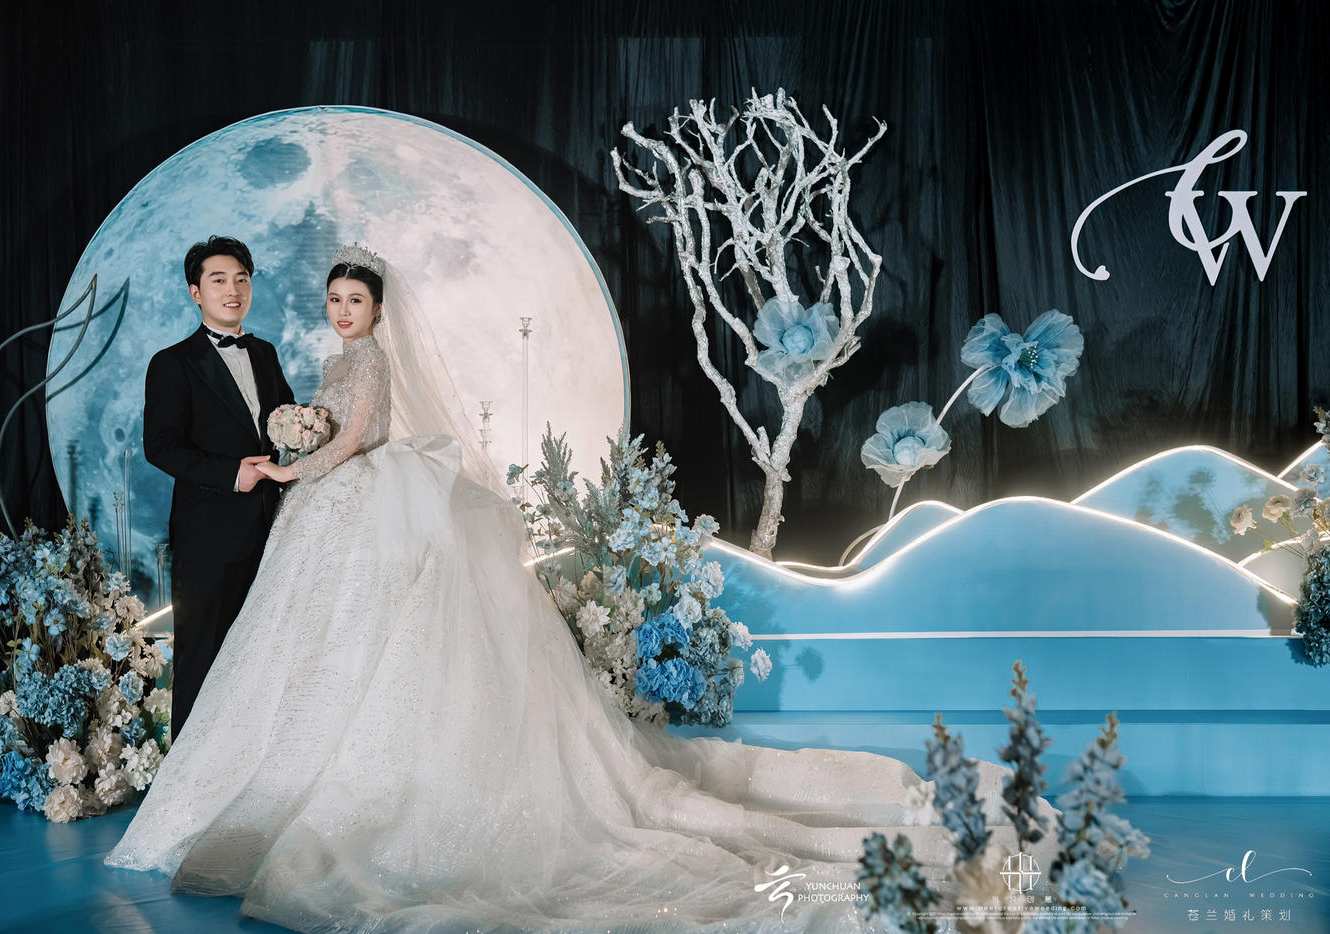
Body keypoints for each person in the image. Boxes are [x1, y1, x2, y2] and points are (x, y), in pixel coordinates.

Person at [109, 244, 1058, 933]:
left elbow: (351, 436)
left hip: (340, 497)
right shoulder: (295, 360)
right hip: (280, 516)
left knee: (368, 641)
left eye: (354, 299)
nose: (343, 309)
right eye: (335, 298)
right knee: (286, 648)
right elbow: (235, 435)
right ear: (203, 289)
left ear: (377, 309)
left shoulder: (361, 362)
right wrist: (292, 453)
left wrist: (296, 464)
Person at [141, 236, 294, 737]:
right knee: (202, 657)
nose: (233, 290)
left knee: (263, 657)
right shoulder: (173, 362)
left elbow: (284, 425)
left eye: (241, 279)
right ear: (195, 292)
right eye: (219, 280)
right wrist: (233, 474)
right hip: (207, 536)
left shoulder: (265, 353)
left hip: (272, 531)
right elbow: (160, 446)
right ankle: (187, 775)